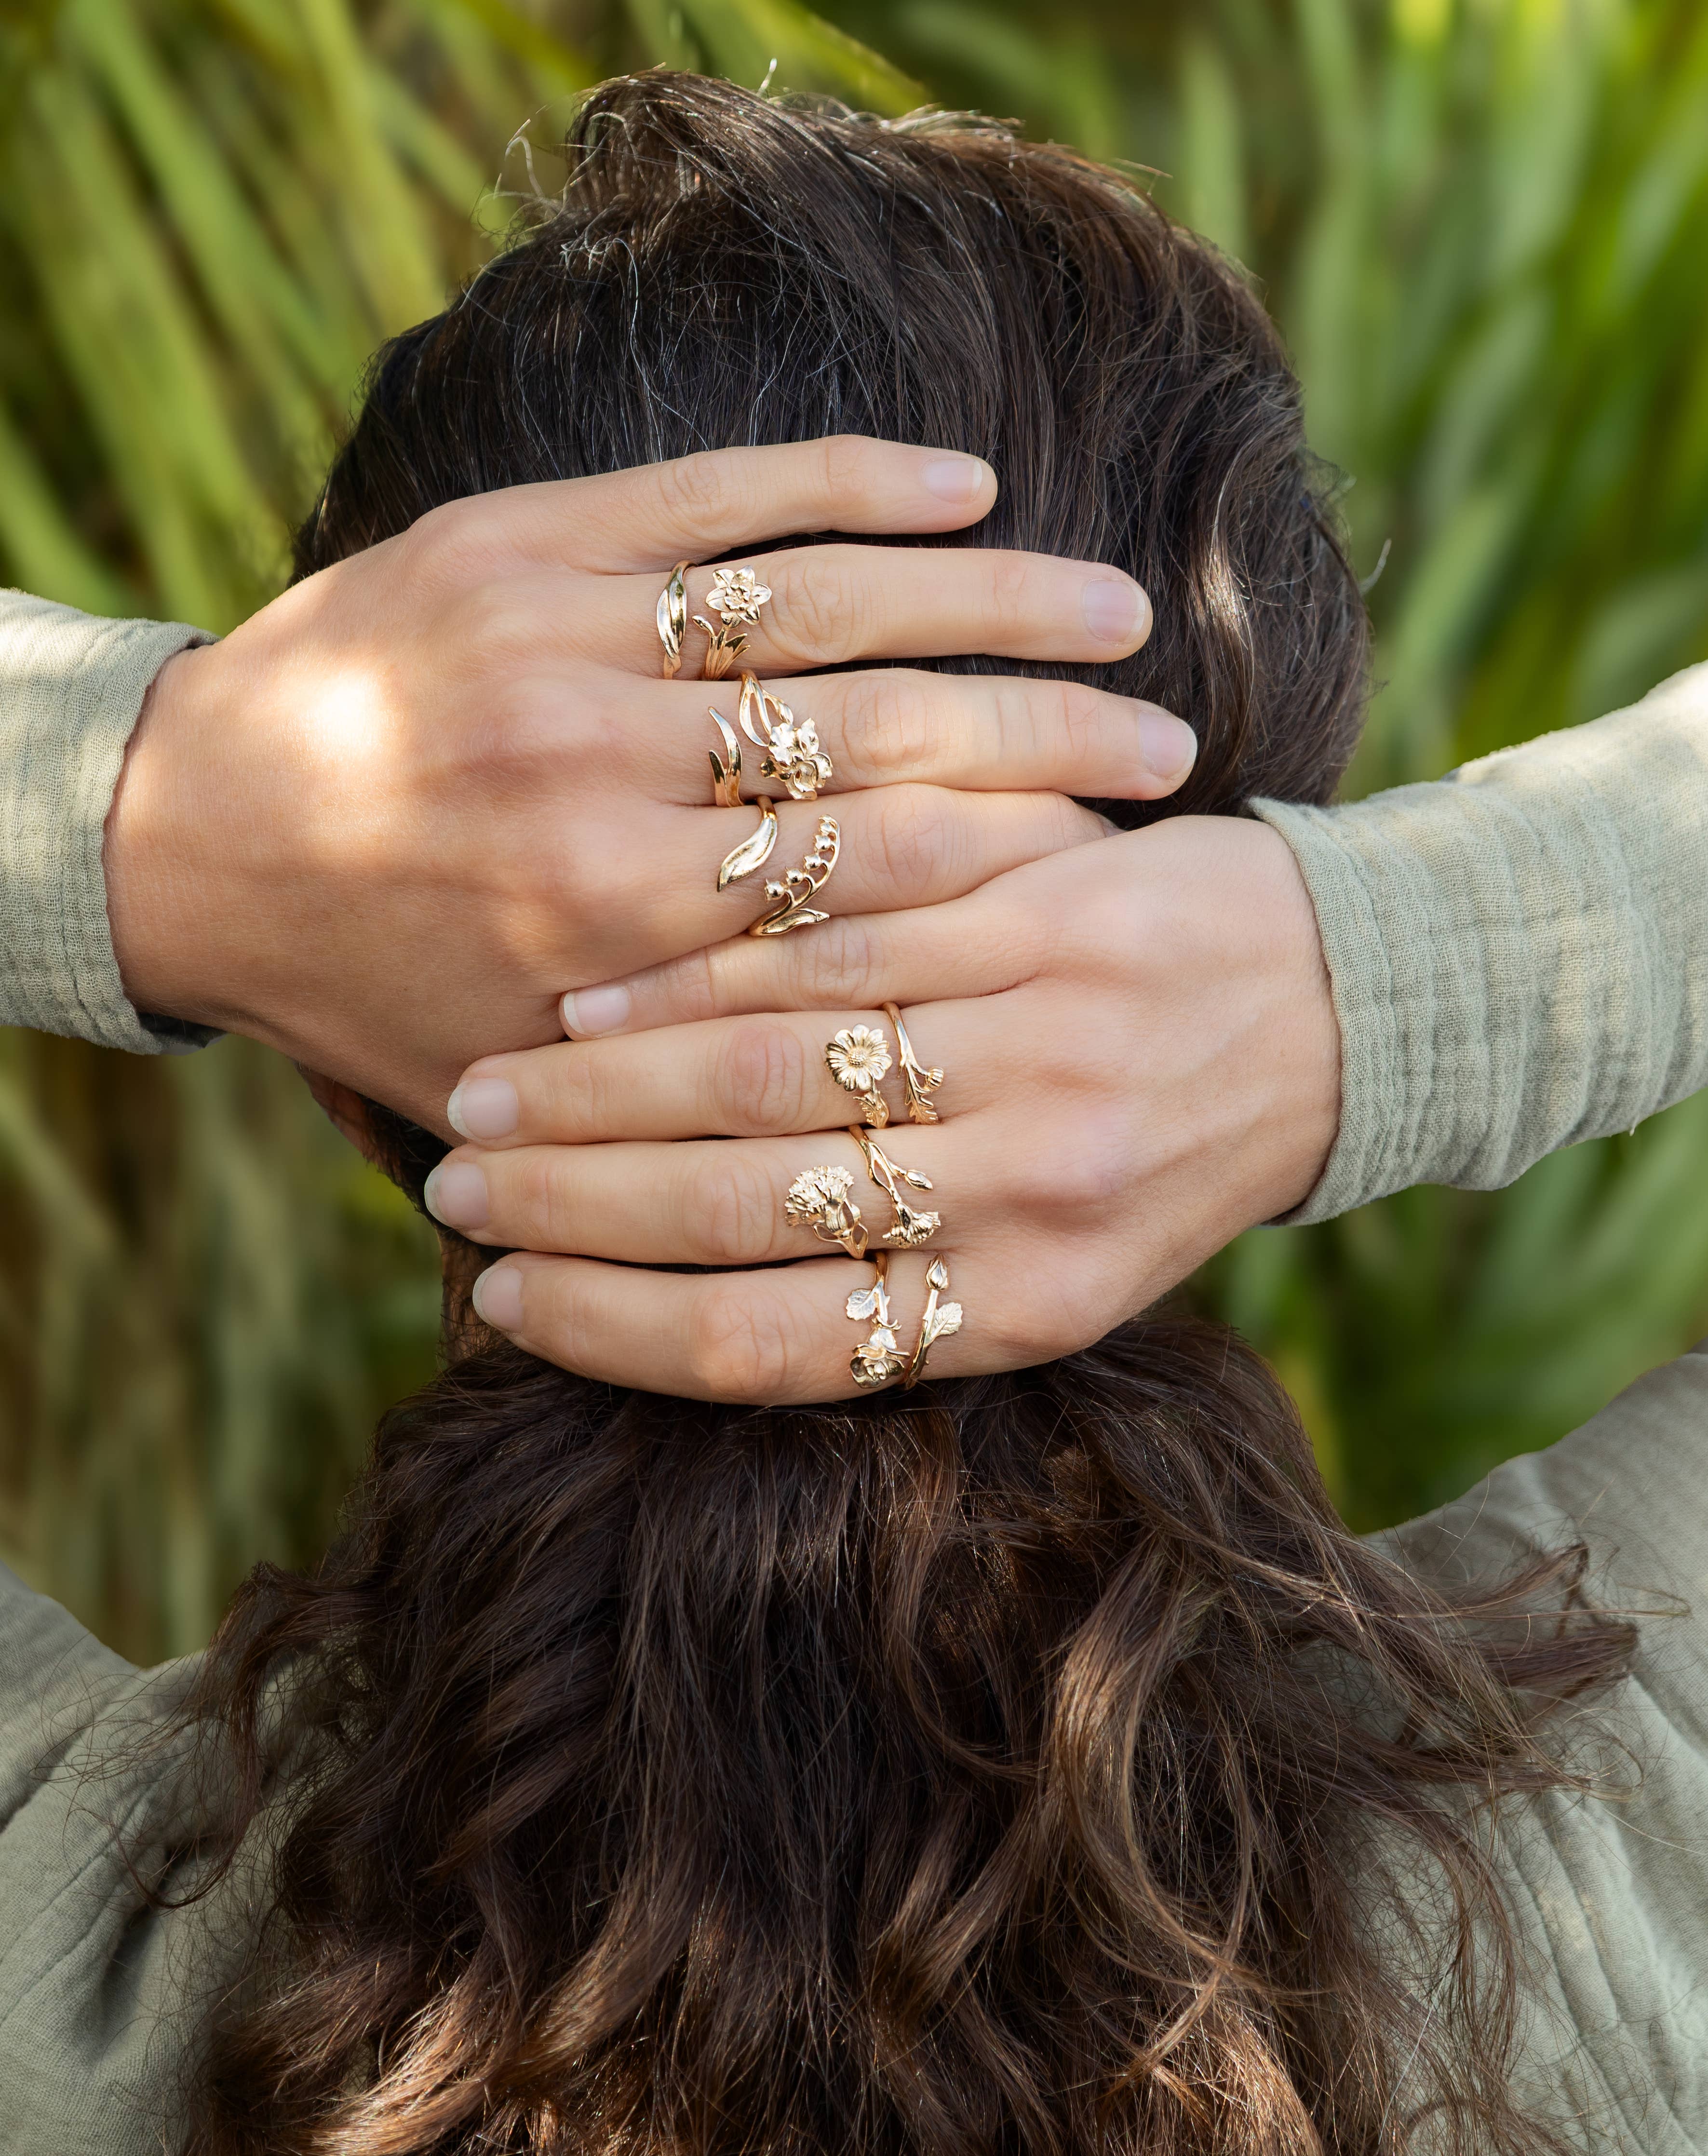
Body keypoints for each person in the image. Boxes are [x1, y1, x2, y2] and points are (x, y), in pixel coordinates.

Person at [3, 68, 1708, 2156]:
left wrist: (181, 813)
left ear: (344, 1078)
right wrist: (1381, 978)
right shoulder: (1619, 1850)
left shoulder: (54, 1949)